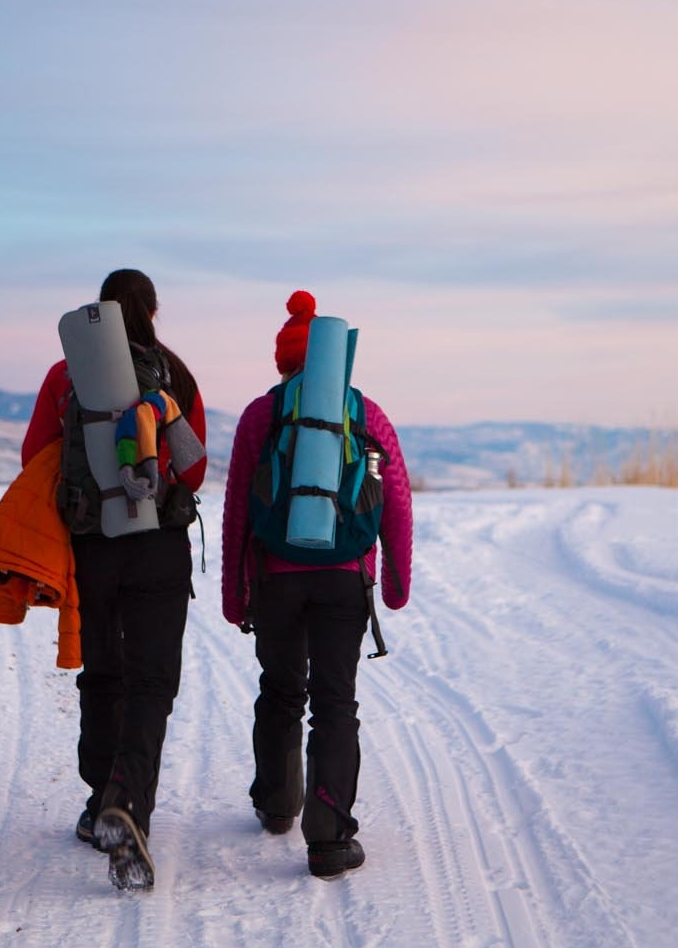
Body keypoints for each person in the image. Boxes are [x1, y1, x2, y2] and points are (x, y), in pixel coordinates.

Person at [21, 268, 207, 890]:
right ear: (153, 310)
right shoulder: (175, 373)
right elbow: (196, 467)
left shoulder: (64, 373)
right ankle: (127, 800)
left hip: (93, 546)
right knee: (150, 681)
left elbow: (34, 459)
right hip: (158, 546)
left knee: (103, 671)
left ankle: (97, 798)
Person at [220, 291, 413, 879]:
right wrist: (396, 584)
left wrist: (235, 591)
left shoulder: (261, 414)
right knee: (335, 702)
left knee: (280, 690)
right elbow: (396, 498)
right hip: (343, 579)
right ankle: (328, 838)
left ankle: (278, 804)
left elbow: (236, 511)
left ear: (282, 362)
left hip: (277, 580)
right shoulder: (365, 412)